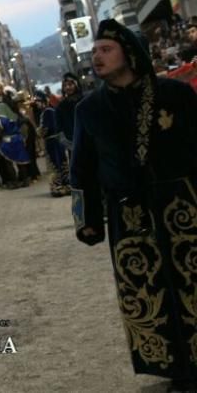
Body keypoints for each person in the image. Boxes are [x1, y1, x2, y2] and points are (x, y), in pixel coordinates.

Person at [70, 19, 197, 390]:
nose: (97, 56)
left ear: (131, 54)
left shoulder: (176, 95)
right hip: (129, 213)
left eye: (106, 49)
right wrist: (88, 219)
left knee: (191, 281)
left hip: (182, 206)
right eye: (94, 51)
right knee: (146, 288)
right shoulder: (89, 110)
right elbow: (82, 170)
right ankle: (175, 369)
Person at [38, 92, 69, 197]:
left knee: (55, 164)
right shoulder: (50, 111)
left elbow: (45, 130)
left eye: (38, 102)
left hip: (52, 142)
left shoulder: (47, 112)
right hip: (56, 141)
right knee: (61, 162)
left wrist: (39, 132)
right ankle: (66, 185)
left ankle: (58, 187)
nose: (37, 104)